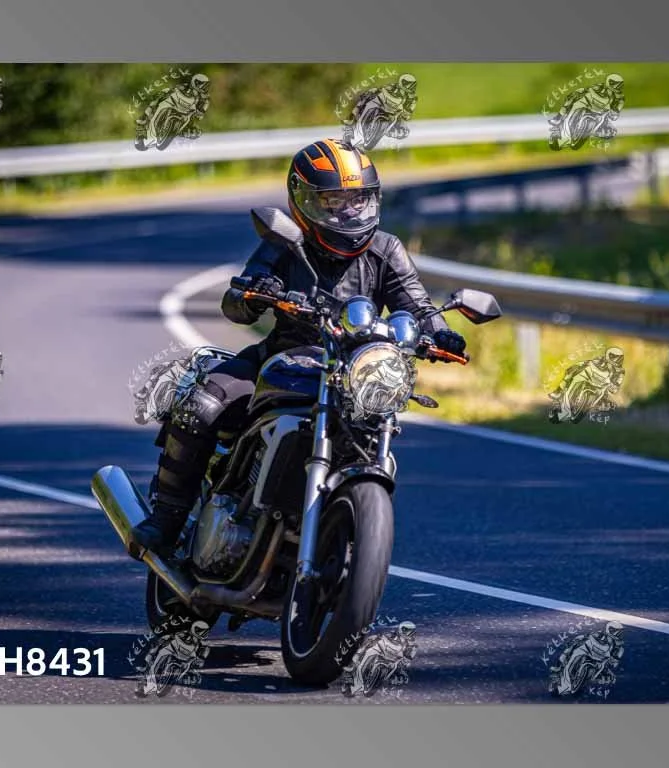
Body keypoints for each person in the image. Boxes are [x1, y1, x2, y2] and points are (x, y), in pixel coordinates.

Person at [129, 138, 467, 556]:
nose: (348, 211)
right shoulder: (286, 240)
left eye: (358, 200)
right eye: (333, 201)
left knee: (376, 421)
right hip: (279, 360)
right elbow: (235, 305)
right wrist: (256, 291)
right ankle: (167, 519)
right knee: (202, 404)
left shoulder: (385, 249)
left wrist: (439, 332)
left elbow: (416, 305)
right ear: (303, 202)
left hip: (355, 372)